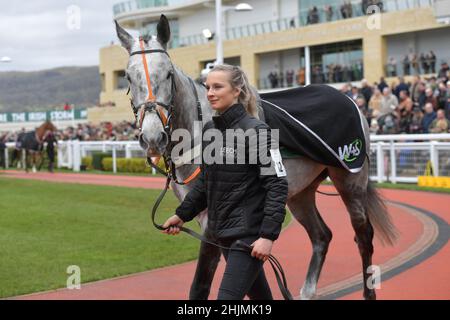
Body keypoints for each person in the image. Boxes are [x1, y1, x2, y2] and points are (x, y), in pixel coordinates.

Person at [162, 64, 289, 300]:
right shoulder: (212, 131)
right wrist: (182, 214)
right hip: (223, 234)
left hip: (248, 237)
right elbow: (206, 182)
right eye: (208, 86)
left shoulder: (258, 131)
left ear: (237, 90)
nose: (210, 92)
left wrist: (268, 236)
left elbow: (277, 185)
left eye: (217, 86)